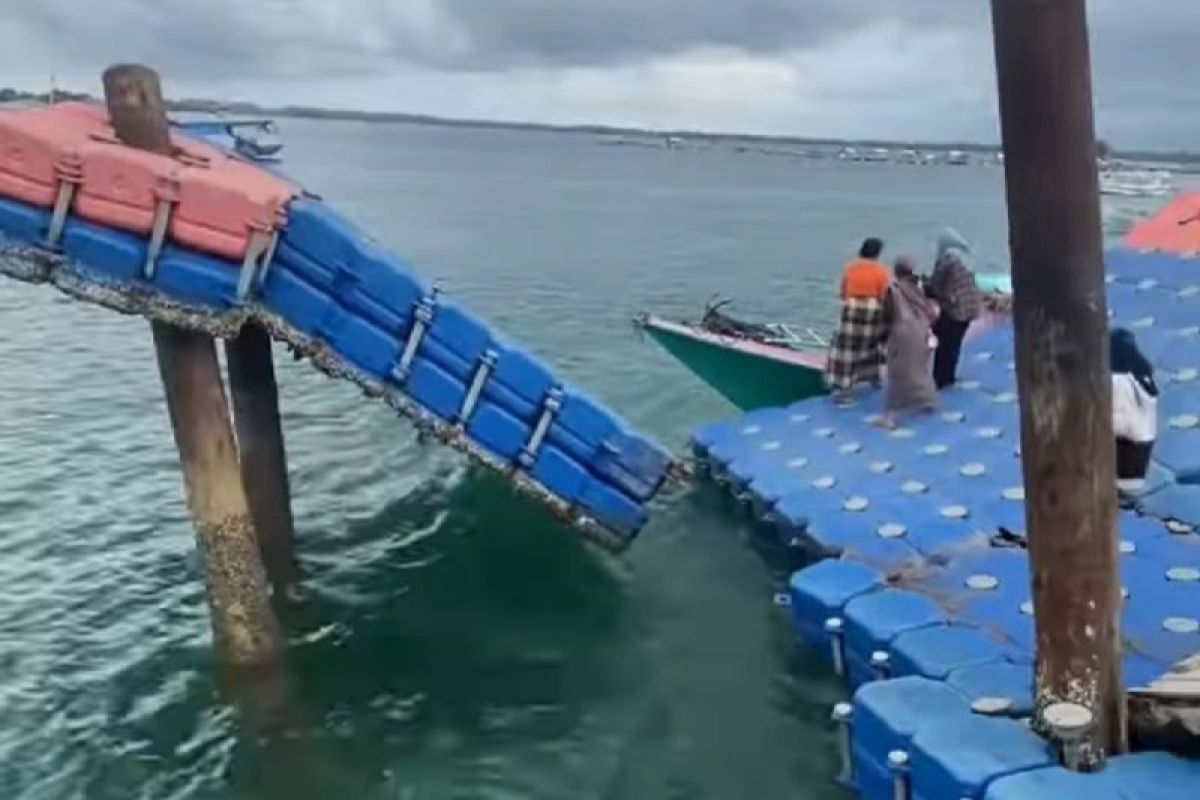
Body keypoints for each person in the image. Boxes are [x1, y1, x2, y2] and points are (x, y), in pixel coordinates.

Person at [826, 237, 890, 403]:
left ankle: (844, 388)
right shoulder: (881, 271)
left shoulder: (851, 268)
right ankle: (874, 377)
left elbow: (843, 292)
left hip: (851, 308)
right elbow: (884, 296)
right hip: (872, 309)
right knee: (873, 346)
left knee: (846, 349)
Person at [878, 257, 939, 428]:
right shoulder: (920, 285)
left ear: (896, 271)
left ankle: (889, 416)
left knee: (897, 372)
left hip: (902, 334)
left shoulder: (893, 289)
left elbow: (887, 315)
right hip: (923, 330)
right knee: (921, 367)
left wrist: (881, 337)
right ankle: (928, 401)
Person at [925, 228, 982, 388]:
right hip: (970, 307)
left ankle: (940, 379)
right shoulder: (963, 259)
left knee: (945, 343)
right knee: (954, 343)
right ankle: (948, 376)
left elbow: (936, 285)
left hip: (956, 309)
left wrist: (924, 285)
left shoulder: (947, 261)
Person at [1111, 327, 1159, 492]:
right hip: (1138, 463)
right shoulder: (1143, 375)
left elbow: (1117, 423)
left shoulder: (1119, 381)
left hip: (1122, 468)